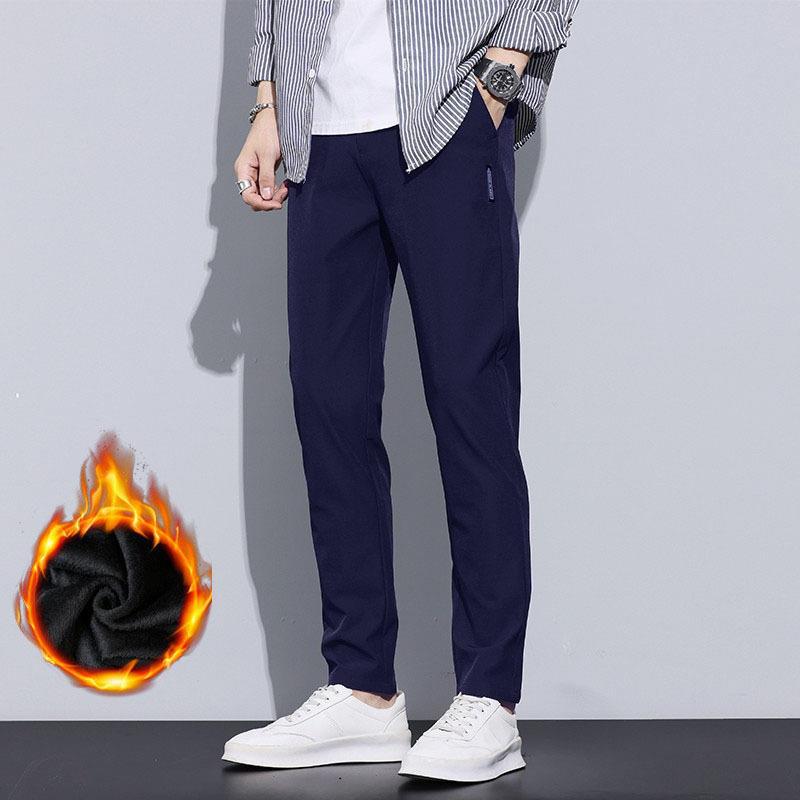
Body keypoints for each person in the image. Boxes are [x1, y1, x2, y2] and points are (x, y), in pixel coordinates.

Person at [223, 0, 578, 784]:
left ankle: (489, 697)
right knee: (328, 405)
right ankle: (362, 689)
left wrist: (505, 70)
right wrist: (268, 101)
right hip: (321, 127)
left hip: (447, 110)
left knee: (470, 401)